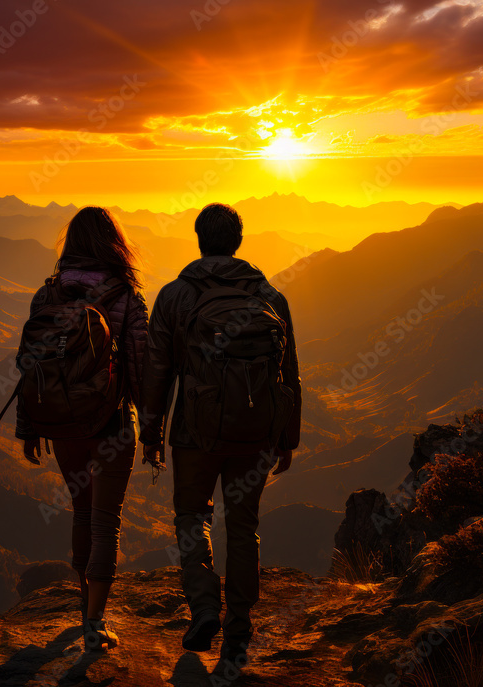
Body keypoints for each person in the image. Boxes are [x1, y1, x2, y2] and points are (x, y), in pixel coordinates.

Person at [139, 202, 301, 666]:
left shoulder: (174, 297)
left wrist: (151, 433)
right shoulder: (271, 297)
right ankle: (239, 630)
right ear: (238, 241)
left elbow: (158, 370)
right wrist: (286, 436)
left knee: (192, 516)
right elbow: (288, 372)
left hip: (195, 431)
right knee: (244, 527)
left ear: (198, 240)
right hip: (255, 434)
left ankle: (205, 607)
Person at [14, 206, 148, 650]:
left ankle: (81, 606)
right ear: (115, 244)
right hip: (110, 422)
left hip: (62, 425)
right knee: (107, 523)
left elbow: (30, 368)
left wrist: (30, 427)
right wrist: (153, 430)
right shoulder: (125, 296)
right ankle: (95, 621)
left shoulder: (46, 296)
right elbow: (141, 366)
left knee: (82, 514)